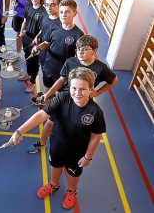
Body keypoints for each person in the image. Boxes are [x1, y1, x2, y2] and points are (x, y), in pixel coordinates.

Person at [9, 67, 106, 210]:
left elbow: (96, 135)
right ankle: (54, 184)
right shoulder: (62, 97)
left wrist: (88, 157)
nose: (77, 93)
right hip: (57, 145)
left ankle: (72, 190)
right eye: (74, 88)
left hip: (77, 152)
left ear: (91, 89)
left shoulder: (96, 112)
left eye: (83, 89)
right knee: (55, 165)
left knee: (73, 173)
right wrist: (19, 131)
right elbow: (42, 115)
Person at [28, 35, 118, 153]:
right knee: (50, 122)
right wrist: (48, 94)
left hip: (82, 102)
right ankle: (42, 143)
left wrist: (98, 92)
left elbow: (114, 80)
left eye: (85, 49)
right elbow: (61, 80)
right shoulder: (71, 61)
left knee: (74, 128)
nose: (80, 52)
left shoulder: (101, 68)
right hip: (63, 98)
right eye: (78, 49)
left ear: (94, 51)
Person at [33, 0, 84, 89]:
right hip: (49, 67)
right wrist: (38, 47)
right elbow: (47, 43)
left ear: (74, 13)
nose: (63, 15)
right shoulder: (54, 26)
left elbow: (79, 58)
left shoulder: (79, 35)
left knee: (59, 96)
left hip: (63, 73)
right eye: (61, 12)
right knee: (47, 90)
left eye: (67, 12)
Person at [18, 0, 47, 93]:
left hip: (36, 41)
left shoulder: (43, 12)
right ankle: (28, 74)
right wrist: (22, 31)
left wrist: (37, 37)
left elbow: (42, 29)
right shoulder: (28, 7)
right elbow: (25, 21)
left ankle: (32, 82)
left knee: (34, 61)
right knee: (27, 57)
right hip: (26, 38)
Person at [33, 0, 63, 75]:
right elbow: (43, 29)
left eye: (53, 5)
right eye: (47, 4)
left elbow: (52, 42)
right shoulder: (44, 15)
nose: (49, 7)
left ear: (60, 5)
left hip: (55, 59)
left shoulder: (61, 23)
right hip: (43, 54)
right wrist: (37, 36)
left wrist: (39, 47)